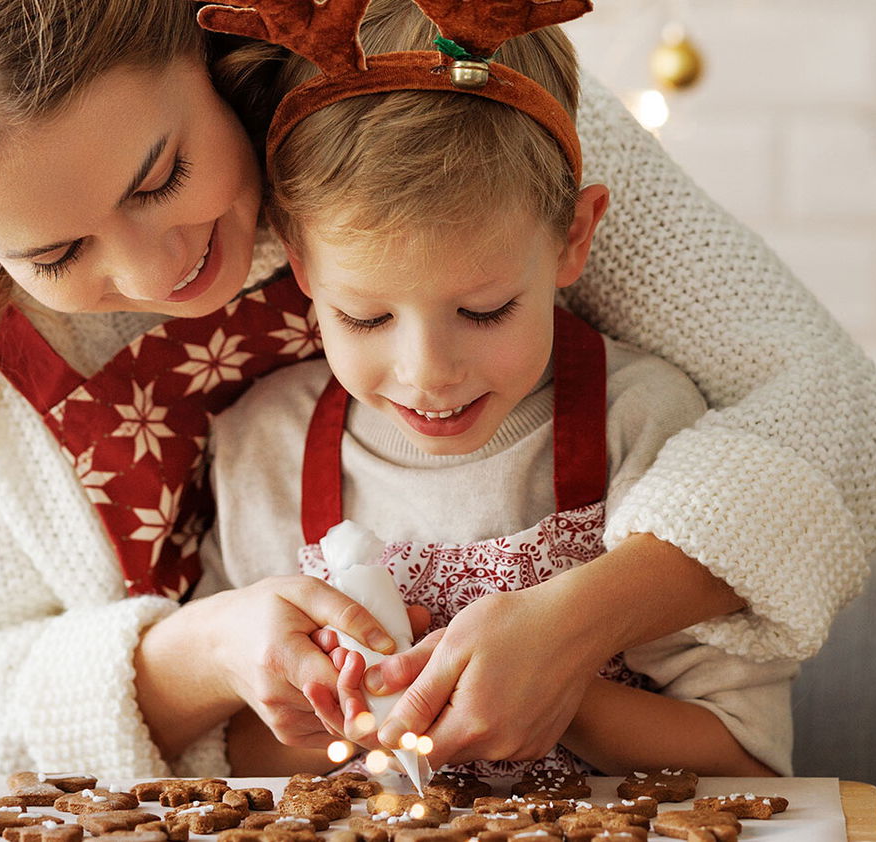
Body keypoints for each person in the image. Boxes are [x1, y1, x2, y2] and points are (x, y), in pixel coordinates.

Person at [0, 0, 876, 782]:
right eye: (56, 254)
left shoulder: (433, 65)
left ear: (201, 35)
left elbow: (836, 412)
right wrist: (206, 649)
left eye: (161, 174)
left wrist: (581, 626)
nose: (154, 264)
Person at [201, 0, 795, 777]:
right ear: (303, 270)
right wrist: (332, 707)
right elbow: (214, 760)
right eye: (366, 315)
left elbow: (747, 763)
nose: (428, 372)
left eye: (485, 311)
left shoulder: (643, 423)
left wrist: (559, 687)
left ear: (574, 238)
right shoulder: (262, 449)